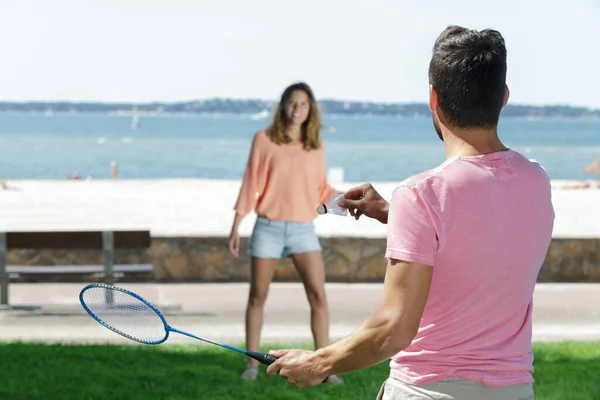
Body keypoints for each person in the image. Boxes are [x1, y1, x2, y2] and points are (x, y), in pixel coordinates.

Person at [265, 26, 555, 400]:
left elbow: (393, 328)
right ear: (504, 97)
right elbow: (480, 235)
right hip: (515, 391)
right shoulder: (536, 181)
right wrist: (395, 213)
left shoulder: (421, 195)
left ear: (433, 98)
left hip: (427, 391)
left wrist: (318, 363)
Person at [228, 82, 344, 384]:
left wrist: (348, 199)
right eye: (292, 103)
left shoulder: (315, 145)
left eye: (303, 105)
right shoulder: (264, 140)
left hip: (303, 229)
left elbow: (320, 188)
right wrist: (235, 227)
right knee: (257, 296)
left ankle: (324, 366)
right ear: (283, 107)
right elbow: (249, 182)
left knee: (319, 296)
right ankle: (252, 365)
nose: (297, 110)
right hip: (268, 227)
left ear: (310, 110)